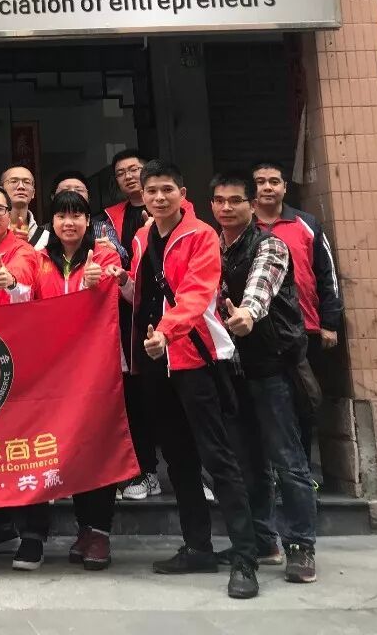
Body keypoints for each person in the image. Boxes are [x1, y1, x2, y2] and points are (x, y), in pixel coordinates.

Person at [115, 161, 260, 599]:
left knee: (218, 459)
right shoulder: (142, 237)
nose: (159, 197)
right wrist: (122, 283)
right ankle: (197, 547)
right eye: (152, 191)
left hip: (194, 358)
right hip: (155, 363)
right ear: (143, 196)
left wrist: (166, 331)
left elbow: (198, 294)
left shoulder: (201, 235)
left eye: (167, 190)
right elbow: (144, 293)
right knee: (178, 460)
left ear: (182, 193)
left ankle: (245, 558)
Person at [210, 173, 319, 583]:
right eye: (219, 200)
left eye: (236, 200)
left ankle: (301, 545)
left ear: (252, 206)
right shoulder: (213, 248)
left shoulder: (270, 245)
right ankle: (263, 541)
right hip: (234, 372)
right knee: (248, 463)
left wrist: (247, 314)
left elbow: (261, 287)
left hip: (273, 369)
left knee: (288, 461)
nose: (227, 208)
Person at [12, 191, 123, 573]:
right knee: (42, 447)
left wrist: (98, 282)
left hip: (94, 370)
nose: (69, 222)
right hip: (47, 373)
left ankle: (96, 531)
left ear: (88, 221)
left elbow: (116, 293)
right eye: (62, 215)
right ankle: (34, 535)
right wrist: (10, 284)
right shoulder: (37, 258)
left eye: (77, 215)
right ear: (53, 222)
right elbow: (22, 296)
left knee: (92, 447)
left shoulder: (104, 255)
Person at [251, 159, 344, 470]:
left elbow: (327, 275)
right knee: (265, 406)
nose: (267, 187)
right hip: (259, 333)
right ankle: (274, 476)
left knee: (303, 404)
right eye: (260, 182)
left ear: (284, 187)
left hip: (305, 330)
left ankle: (302, 473)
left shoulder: (307, 223)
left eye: (274, 181)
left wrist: (330, 323)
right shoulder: (243, 226)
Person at [105, 149, 161, 502]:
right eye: (121, 172)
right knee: (136, 397)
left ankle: (194, 476)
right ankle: (146, 470)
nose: (128, 176)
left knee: (173, 400)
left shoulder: (178, 214)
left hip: (169, 317)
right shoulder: (109, 219)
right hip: (128, 317)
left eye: (134, 169)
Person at [50, 170, 128, 265]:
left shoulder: (102, 228)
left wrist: (113, 249)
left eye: (79, 190)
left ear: (89, 197)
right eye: (65, 191)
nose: (73, 194)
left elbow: (124, 259)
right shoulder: (43, 233)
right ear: (53, 197)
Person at [0, 162, 46, 249]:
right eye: (14, 181)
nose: (21, 186)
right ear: (1, 191)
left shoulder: (46, 238)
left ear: (33, 193)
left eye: (27, 182)